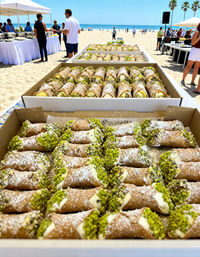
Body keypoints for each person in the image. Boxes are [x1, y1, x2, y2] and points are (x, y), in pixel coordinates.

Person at [181, 23, 200, 88]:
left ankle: (192, 81)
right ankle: (183, 79)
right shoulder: (196, 33)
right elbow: (193, 43)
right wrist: (199, 38)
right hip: (195, 50)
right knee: (189, 66)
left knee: (196, 67)